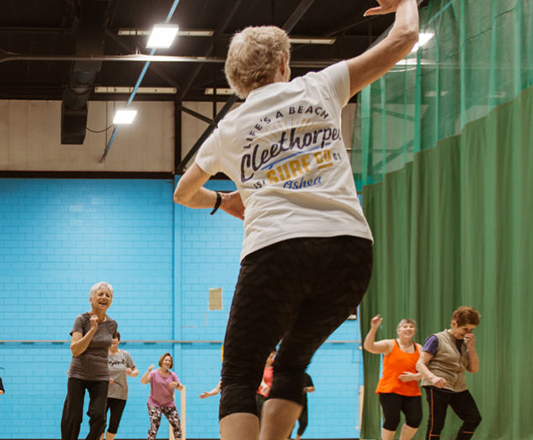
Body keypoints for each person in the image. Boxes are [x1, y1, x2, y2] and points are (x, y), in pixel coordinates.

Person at [172, 0, 419, 438]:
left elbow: (183, 193)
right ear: (284, 63)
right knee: (291, 363)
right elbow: (403, 39)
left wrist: (222, 201)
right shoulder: (321, 86)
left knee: (240, 375)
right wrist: (406, 2)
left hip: (277, 252)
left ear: (235, 80)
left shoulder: (229, 127)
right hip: (350, 252)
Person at [61, 282, 119, 440]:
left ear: (111, 301)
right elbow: (75, 349)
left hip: (100, 376)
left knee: (99, 417)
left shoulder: (112, 324)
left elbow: (104, 350)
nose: (104, 298)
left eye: (108, 295)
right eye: (100, 294)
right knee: (73, 417)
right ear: (91, 298)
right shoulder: (82, 320)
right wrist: (92, 330)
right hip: (78, 374)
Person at [415, 306, 481, 440]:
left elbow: (473, 369)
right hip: (437, 385)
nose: (468, 333)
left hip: (458, 387)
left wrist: (471, 348)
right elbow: (419, 364)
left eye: (471, 330)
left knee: (473, 418)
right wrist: (433, 378)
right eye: (465, 329)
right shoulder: (436, 339)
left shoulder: (464, 343)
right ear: (454, 324)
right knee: (436, 423)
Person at [363, 315, 423, 440]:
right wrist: (374, 329)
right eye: (405, 326)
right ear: (399, 330)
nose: (408, 328)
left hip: (411, 391)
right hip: (390, 389)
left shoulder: (419, 348)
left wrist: (415, 376)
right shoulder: (389, 344)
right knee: (392, 419)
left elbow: (426, 370)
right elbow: (369, 347)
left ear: (414, 331)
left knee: (415, 419)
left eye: (411, 326)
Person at [100, 332, 139, 440]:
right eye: (110, 338)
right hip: (103, 394)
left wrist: (131, 373)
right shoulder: (102, 355)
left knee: (114, 423)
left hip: (120, 394)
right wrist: (104, 378)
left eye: (115, 338)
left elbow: (136, 371)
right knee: (99, 423)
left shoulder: (125, 354)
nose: (113, 340)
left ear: (119, 340)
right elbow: (95, 372)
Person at [141, 353, 184, 440]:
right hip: (154, 403)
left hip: (169, 404)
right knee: (155, 425)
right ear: (162, 361)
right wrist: (148, 371)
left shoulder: (172, 375)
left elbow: (181, 388)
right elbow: (143, 381)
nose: (167, 362)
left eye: (169, 361)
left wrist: (177, 385)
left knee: (177, 425)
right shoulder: (153, 374)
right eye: (166, 360)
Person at [290, 373, 315, 440]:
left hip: (303, 404)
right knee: (290, 424)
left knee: (304, 423)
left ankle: (298, 438)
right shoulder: (289, 376)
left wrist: (306, 389)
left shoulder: (306, 376)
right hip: (291, 404)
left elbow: (312, 387)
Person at [256, 351, 277, 416]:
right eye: (270, 357)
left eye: (273, 357)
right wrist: (263, 384)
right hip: (261, 395)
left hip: (272, 396)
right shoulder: (260, 365)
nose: (272, 359)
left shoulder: (276, 365)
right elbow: (259, 376)